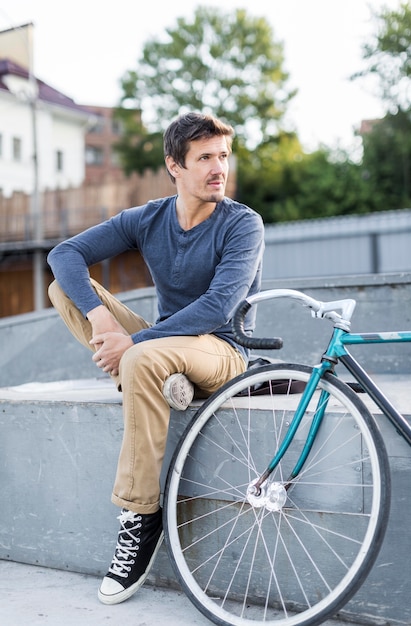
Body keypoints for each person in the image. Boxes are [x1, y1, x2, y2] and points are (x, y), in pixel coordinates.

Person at [47, 111, 265, 606]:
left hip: (222, 350)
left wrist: (137, 346)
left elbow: (217, 307)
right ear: (174, 165)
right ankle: (160, 376)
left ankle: (140, 518)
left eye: (223, 157)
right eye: (204, 158)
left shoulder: (242, 224)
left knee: (140, 359)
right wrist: (104, 323)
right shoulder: (148, 218)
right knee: (64, 288)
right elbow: (64, 255)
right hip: (165, 344)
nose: (218, 168)